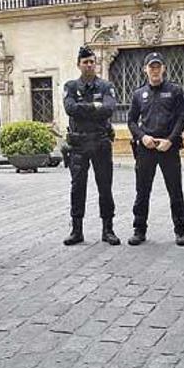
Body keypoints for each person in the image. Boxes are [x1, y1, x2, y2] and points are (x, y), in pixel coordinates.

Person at [126, 51, 184, 246]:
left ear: (163, 68)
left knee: (175, 190)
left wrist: (171, 139)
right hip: (146, 147)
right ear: (145, 69)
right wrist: (142, 136)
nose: (154, 70)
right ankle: (139, 229)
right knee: (142, 191)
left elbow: (182, 117)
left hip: (168, 147)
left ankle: (180, 230)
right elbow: (131, 121)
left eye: (157, 66)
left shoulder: (175, 90)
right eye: (151, 66)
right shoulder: (138, 94)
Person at [62, 46, 120, 246]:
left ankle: (108, 229)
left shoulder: (105, 86)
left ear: (96, 64)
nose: (89, 65)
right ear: (78, 64)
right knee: (77, 187)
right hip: (78, 145)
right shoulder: (70, 86)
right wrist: (94, 107)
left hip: (100, 143)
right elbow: (69, 109)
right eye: (85, 62)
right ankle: (76, 230)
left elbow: (109, 109)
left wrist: (83, 109)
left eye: (92, 62)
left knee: (105, 187)